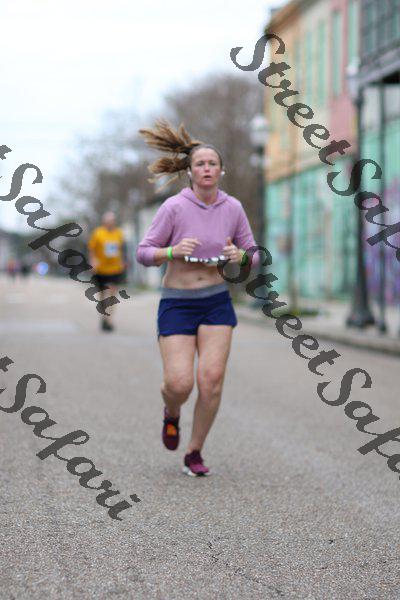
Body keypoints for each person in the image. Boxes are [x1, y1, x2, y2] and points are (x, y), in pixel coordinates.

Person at [136, 120, 260, 477]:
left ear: (222, 170)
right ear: (189, 171)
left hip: (216, 301)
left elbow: (254, 255)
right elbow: (143, 252)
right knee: (179, 384)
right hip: (177, 301)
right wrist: (171, 251)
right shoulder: (174, 207)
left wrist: (240, 256)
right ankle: (172, 412)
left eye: (212, 163)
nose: (207, 168)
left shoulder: (233, 208)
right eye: (200, 164)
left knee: (212, 380)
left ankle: (194, 451)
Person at [88, 211, 127, 332]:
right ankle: (103, 316)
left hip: (115, 268)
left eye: (113, 220)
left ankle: (109, 319)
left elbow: (122, 249)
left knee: (112, 292)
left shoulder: (119, 233)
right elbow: (91, 249)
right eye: (109, 220)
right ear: (104, 222)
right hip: (100, 269)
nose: (111, 222)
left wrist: (123, 261)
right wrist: (93, 261)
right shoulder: (98, 233)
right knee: (102, 295)